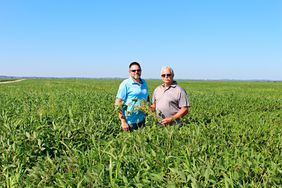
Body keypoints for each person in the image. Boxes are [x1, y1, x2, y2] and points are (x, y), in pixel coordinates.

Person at [115, 62, 149, 131]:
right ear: (129, 72)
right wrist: (123, 121)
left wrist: (148, 109)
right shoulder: (125, 84)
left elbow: (147, 97)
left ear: (141, 71)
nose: (136, 72)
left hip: (142, 120)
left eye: (138, 70)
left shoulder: (144, 82)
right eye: (133, 70)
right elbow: (118, 104)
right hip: (130, 122)